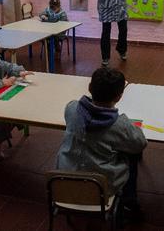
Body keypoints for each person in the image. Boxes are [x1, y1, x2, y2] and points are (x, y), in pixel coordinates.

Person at [56, 67, 147, 220]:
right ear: (119, 97)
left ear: (90, 88)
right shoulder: (119, 124)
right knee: (132, 154)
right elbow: (140, 144)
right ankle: (129, 203)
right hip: (99, 188)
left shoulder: (72, 108)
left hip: (62, 182)